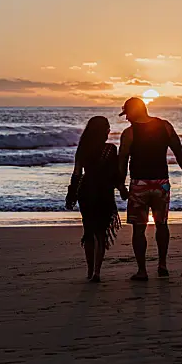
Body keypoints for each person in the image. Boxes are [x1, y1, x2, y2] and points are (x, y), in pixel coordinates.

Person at [117, 97, 182, 281]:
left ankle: (142, 271)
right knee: (162, 224)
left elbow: (122, 161)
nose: (126, 118)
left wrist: (120, 185)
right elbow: (179, 150)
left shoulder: (129, 133)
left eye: (127, 114)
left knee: (139, 229)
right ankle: (162, 265)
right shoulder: (165, 126)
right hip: (161, 184)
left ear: (135, 111)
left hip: (139, 184)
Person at [66, 116, 122, 283]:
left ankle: (90, 271)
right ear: (104, 131)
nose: (109, 131)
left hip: (86, 191)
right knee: (101, 233)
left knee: (89, 231)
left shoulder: (82, 149)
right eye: (108, 128)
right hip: (104, 192)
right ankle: (97, 271)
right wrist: (122, 190)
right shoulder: (111, 149)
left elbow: (77, 173)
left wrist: (72, 194)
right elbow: (115, 175)